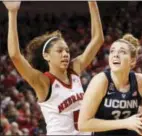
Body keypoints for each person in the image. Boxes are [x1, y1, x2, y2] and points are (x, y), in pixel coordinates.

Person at [3, 1, 104, 135]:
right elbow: (15, 55)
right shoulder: (44, 83)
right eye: (60, 51)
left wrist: (92, 2)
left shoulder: (74, 70)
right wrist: (12, 12)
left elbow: (98, 39)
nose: (65, 54)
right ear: (47, 56)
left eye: (67, 51)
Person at [78, 34, 142, 135]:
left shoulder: (140, 81)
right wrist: (124, 123)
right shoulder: (101, 81)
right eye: (112, 51)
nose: (115, 55)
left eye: (122, 52)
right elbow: (83, 124)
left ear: (132, 61)